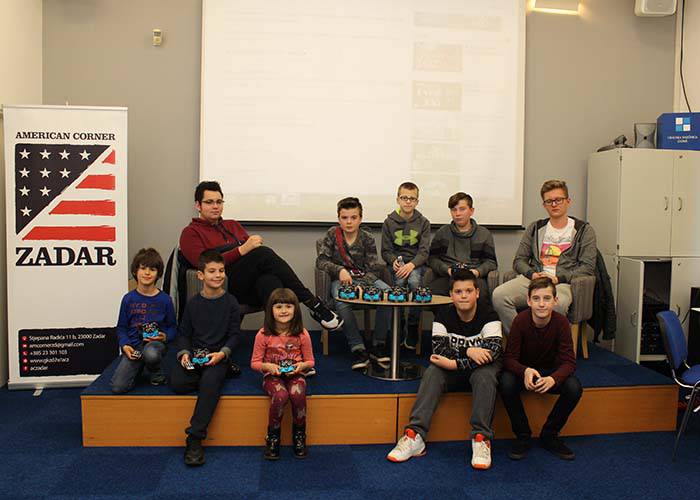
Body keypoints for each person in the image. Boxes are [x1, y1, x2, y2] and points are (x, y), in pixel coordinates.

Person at [179, 180, 342, 331]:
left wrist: (246, 250)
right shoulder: (190, 232)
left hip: (247, 286)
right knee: (262, 253)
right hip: (223, 284)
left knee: (271, 281)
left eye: (219, 202)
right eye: (209, 202)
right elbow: (202, 263)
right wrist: (241, 250)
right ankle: (313, 303)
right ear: (198, 205)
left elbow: (251, 258)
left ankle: (278, 338)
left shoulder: (232, 225)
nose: (215, 206)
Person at [386, 270, 503, 470]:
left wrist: (455, 363)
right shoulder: (443, 315)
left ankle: (481, 438)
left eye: (468, 291)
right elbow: (440, 351)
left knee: (485, 375)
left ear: (477, 293)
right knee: (433, 371)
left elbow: (492, 353)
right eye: (458, 292)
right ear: (451, 295)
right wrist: (469, 350)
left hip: (478, 372)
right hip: (453, 372)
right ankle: (415, 435)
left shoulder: (489, 315)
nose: (463, 296)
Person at [491, 179, 596, 333]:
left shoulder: (583, 230)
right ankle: (523, 338)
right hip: (534, 279)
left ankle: (547, 344)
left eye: (558, 200)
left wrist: (558, 278)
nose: (554, 204)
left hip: (562, 283)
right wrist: (532, 274)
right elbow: (519, 260)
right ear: (544, 205)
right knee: (499, 296)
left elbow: (587, 267)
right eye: (549, 201)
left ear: (568, 201)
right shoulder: (535, 227)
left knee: (557, 304)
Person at [170, 250, 241, 466]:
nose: (218, 275)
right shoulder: (193, 303)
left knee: (209, 383)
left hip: (218, 356)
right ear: (200, 275)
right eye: (212, 271)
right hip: (197, 356)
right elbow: (184, 334)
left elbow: (235, 335)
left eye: (221, 270)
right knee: (178, 383)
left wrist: (222, 354)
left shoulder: (231, 302)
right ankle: (221, 376)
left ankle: (194, 438)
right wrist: (184, 354)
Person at [499, 277, 582, 461]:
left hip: (550, 374)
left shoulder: (561, 323)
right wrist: (525, 371)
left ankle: (549, 435)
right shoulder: (520, 321)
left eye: (547, 298)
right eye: (536, 299)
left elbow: (569, 362)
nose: (542, 304)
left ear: (555, 301)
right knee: (505, 381)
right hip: (525, 374)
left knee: (574, 387)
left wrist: (554, 378)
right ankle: (523, 435)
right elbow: (509, 359)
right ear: (529, 301)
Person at [316, 197, 391, 370]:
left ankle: (378, 345)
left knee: (387, 294)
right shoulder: (332, 234)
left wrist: (362, 286)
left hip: (365, 279)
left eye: (353, 217)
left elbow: (373, 268)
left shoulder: (367, 237)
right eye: (344, 217)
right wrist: (339, 270)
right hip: (340, 280)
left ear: (360, 219)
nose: (349, 222)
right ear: (339, 219)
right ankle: (358, 348)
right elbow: (321, 261)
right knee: (341, 299)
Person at [251, 288, 315, 460]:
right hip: (272, 376)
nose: (284, 311)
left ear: (295, 309)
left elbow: (310, 361)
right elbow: (254, 363)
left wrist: (302, 366)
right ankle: (273, 437)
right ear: (270, 310)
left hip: (296, 374)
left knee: (297, 393)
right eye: (278, 307)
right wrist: (268, 366)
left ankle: (299, 435)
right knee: (281, 395)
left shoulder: (302, 334)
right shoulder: (263, 334)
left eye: (288, 306)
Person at [111, 248, 176, 393]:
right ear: (135, 271)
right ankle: (140, 366)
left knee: (151, 354)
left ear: (158, 273)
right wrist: (125, 345)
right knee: (118, 387)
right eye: (143, 268)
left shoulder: (165, 299)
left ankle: (155, 369)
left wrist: (165, 336)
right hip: (134, 347)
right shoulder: (128, 299)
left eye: (152, 269)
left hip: (155, 346)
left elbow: (173, 327)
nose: (147, 273)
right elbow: (121, 328)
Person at [381, 181, 431, 349]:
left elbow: (424, 252)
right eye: (404, 198)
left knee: (414, 282)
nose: (408, 201)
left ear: (417, 201)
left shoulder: (424, 222)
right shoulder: (388, 222)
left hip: (416, 264)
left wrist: (412, 265)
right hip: (397, 265)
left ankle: (412, 325)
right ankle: (399, 323)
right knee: (399, 284)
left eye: (412, 198)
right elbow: (385, 251)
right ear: (398, 200)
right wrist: (393, 261)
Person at [427, 192, 497, 297]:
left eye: (462, 209)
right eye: (454, 210)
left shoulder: (484, 234)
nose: (457, 213)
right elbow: (432, 258)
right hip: (448, 276)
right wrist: (446, 270)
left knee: (481, 296)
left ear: (471, 211)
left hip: (474, 277)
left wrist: (477, 272)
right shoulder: (442, 232)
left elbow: (491, 262)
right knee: (432, 294)